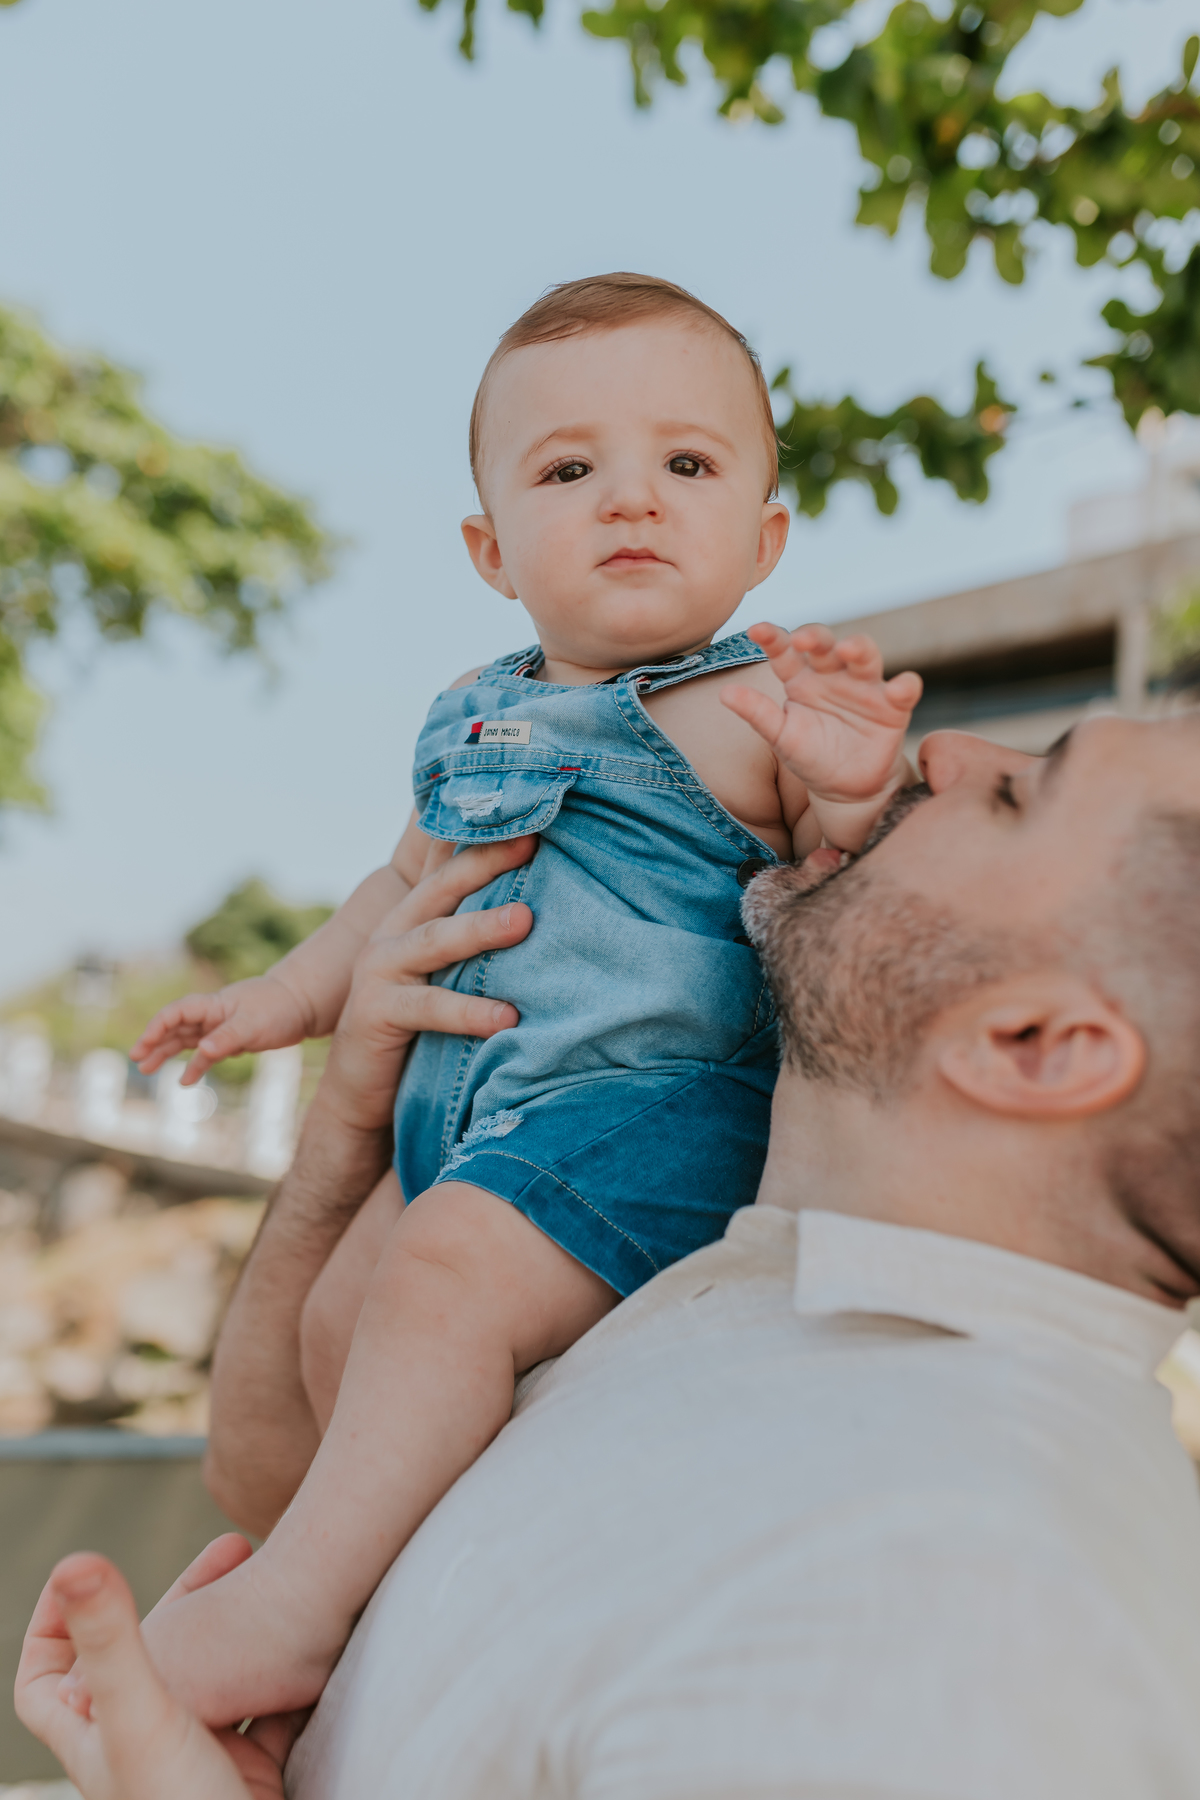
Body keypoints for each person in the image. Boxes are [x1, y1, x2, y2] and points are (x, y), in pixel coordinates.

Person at [26, 714, 1200, 1796]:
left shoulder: (953, 1604)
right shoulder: (730, 1262)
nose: (946, 752)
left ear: (1035, 1044)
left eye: (1020, 795)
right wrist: (353, 1119)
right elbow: (269, 1481)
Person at [116, 273, 923, 1723]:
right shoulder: (471, 713)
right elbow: (395, 887)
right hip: (464, 1124)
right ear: (493, 550)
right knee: (337, 1319)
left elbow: (856, 897)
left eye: (688, 464)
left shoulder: (757, 707)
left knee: (434, 1281)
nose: (632, 499)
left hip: (646, 1112)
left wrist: (857, 789)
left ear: (765, 538)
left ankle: (297, 1606)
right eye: (569, 471)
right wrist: (281, 997)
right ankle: (396, 1603)